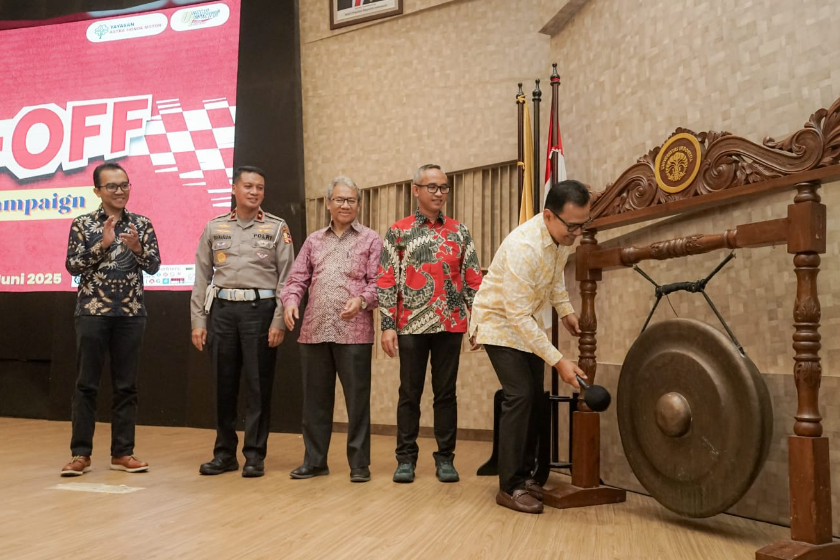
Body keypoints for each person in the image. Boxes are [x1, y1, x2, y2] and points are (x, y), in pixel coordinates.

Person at [470, 179, 591, 514]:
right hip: (497, 323)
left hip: (522, 322)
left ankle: (525, 477)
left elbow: (553, 279)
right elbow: (518, 317)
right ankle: (509, 487)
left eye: (583, 224)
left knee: (534, 397)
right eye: (572, 225)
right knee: (520, 395)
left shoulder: (562, 238)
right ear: (548, 216)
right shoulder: (525, 247)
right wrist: (559, 361)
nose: (577, 233)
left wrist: (565, 310)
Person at [377, 164, 483, 483]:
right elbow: (387, 280)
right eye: (433, 187)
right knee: (410, 393)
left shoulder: (459, 231)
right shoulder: (399, 231)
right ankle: (405, 459)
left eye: (444, 188)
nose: (439, 193)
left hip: (451, 325)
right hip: (410, 325)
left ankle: (445, 459)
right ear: (416, 190)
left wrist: (478, 321)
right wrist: (387, 324)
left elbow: (473, 279)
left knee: (445, 394)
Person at [190, 165, 294, 478]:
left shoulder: (277, 228)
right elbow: (201, 277)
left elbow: (287, 278)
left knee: (258, 385)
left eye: (260, 187)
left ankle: (254, 456)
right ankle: (224, 454)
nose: (254, 192)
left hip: (260, 313)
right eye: (248, 186)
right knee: (223, 384)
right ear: (235, 189)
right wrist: (198, 319)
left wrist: (279, 319)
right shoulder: (214, 227)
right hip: (221, 311)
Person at [61, 162, 161, 476]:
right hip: (92, 313)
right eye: (112, 186)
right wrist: (102, 246)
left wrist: (138, 248)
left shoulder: (141, 224)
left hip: (130, 314)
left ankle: (123, 452)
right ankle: (80, 454)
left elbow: (155, 265)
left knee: (126, 386)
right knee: (86, 385)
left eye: (124, 185)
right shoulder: (82, 224)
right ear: (97, 191)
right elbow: (73, 266)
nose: (120, 191)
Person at [281, 176, 383, 483]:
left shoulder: (371, 239)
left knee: (357, 403)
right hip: (314, 331)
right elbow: (296, 279)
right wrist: (290, 302)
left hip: (354, 333)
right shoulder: (314, 240)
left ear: (359, 205)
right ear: (328, 203)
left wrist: (362, 301)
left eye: (351, 200)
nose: (345, 205)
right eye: (339, 199)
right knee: (315, 402)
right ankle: (314, 462)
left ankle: (359, 465)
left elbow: (380, 283)